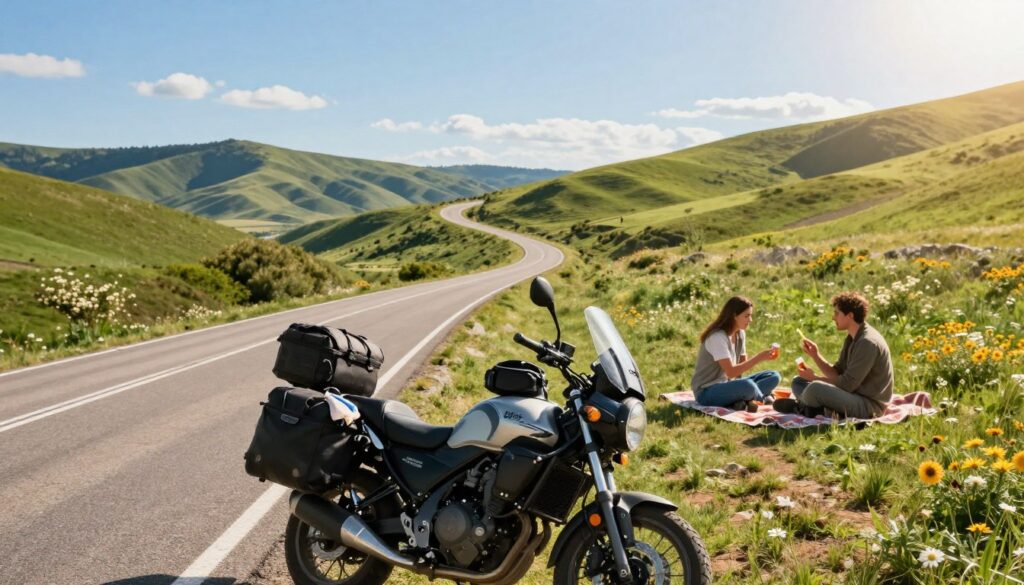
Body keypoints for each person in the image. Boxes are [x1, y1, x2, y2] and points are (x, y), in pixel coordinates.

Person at [774, 291, 893, 419]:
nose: (833, 317)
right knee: (799, 382)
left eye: (837, 313)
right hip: (851, 395)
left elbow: (846, 385)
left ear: (850, 315)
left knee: (815, 388)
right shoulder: (852, 337)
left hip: (868, 406)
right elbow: (837, 373)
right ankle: (814, 407)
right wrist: (816, 355)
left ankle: (802, 408)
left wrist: (814, 378)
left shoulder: (867, 343)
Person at [691, 296, 781, 410]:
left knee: (773, 376)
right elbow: (731, 372)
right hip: (706, 392)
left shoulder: (740, 334)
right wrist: (759, 357)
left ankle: (741, 400)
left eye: (751, 315)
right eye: (747, 316)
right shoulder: (717, 337)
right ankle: (764, 400)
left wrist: (738, 384)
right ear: (734, 316)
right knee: (747, 386)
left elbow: (741, 369)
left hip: (727, 384)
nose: (750, 320)